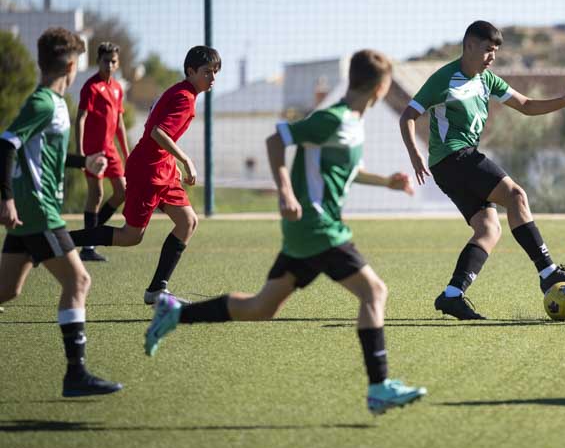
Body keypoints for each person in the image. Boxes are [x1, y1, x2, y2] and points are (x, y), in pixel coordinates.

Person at [144, 49, 426, 415]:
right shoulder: (332, 118)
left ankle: (174, 314)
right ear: (381, 86)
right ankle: (379, 387)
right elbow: (276, 140)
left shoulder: (353, 123)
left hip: (308, 232)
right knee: (375, 291)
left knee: (261, 307)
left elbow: (343, 170)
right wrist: (286, 191)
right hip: (317, 226)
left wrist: (386, 182)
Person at [399, 20, 565, 321]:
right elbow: (408, 115)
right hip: (455, 158)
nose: (492, 57)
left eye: (495, 52)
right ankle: (548, 273)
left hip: (453, 164)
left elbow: (526, 105)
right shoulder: (444, 78)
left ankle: (452, 295)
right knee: (516, 195)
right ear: (470, 46)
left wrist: (564, 102)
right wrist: (413, 153)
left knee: (489, 229)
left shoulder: (487, 80)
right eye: (488, 50)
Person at [0, 27, 120, 396]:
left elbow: (42, 153)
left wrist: (85, 160)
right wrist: (5, 197)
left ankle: (76, 375)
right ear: (70, 65)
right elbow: (5, 145)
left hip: (31, 212)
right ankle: (76, 374)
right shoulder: (43, 103)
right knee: (78, 280)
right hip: (39, 210)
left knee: (7, 290)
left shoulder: (54, 105)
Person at [70, 46, 219, 304]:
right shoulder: (184, 97)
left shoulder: (181, 91)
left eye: (215, 72)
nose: (213, 78)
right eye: (207, 72)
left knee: (188, 222)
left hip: (162, 168)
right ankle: (60, 241)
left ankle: (157, 290)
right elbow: (158, 133)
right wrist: (186, 160)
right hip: (149, 170)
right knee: (131, 236)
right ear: (191, 71)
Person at [75, 41, 129, 263]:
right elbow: (80, 118)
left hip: (111, 149)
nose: (109, 64)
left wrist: (127, 154)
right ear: (98, 61)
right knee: (96, 194)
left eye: (113, 61)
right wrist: (80, 154)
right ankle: (88, 246)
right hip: (93, 151)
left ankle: (92, 233)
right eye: (105, 60)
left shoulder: (117, 88)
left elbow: (120, 123)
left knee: (122, 192)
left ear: (118, 64)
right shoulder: (91, 86)